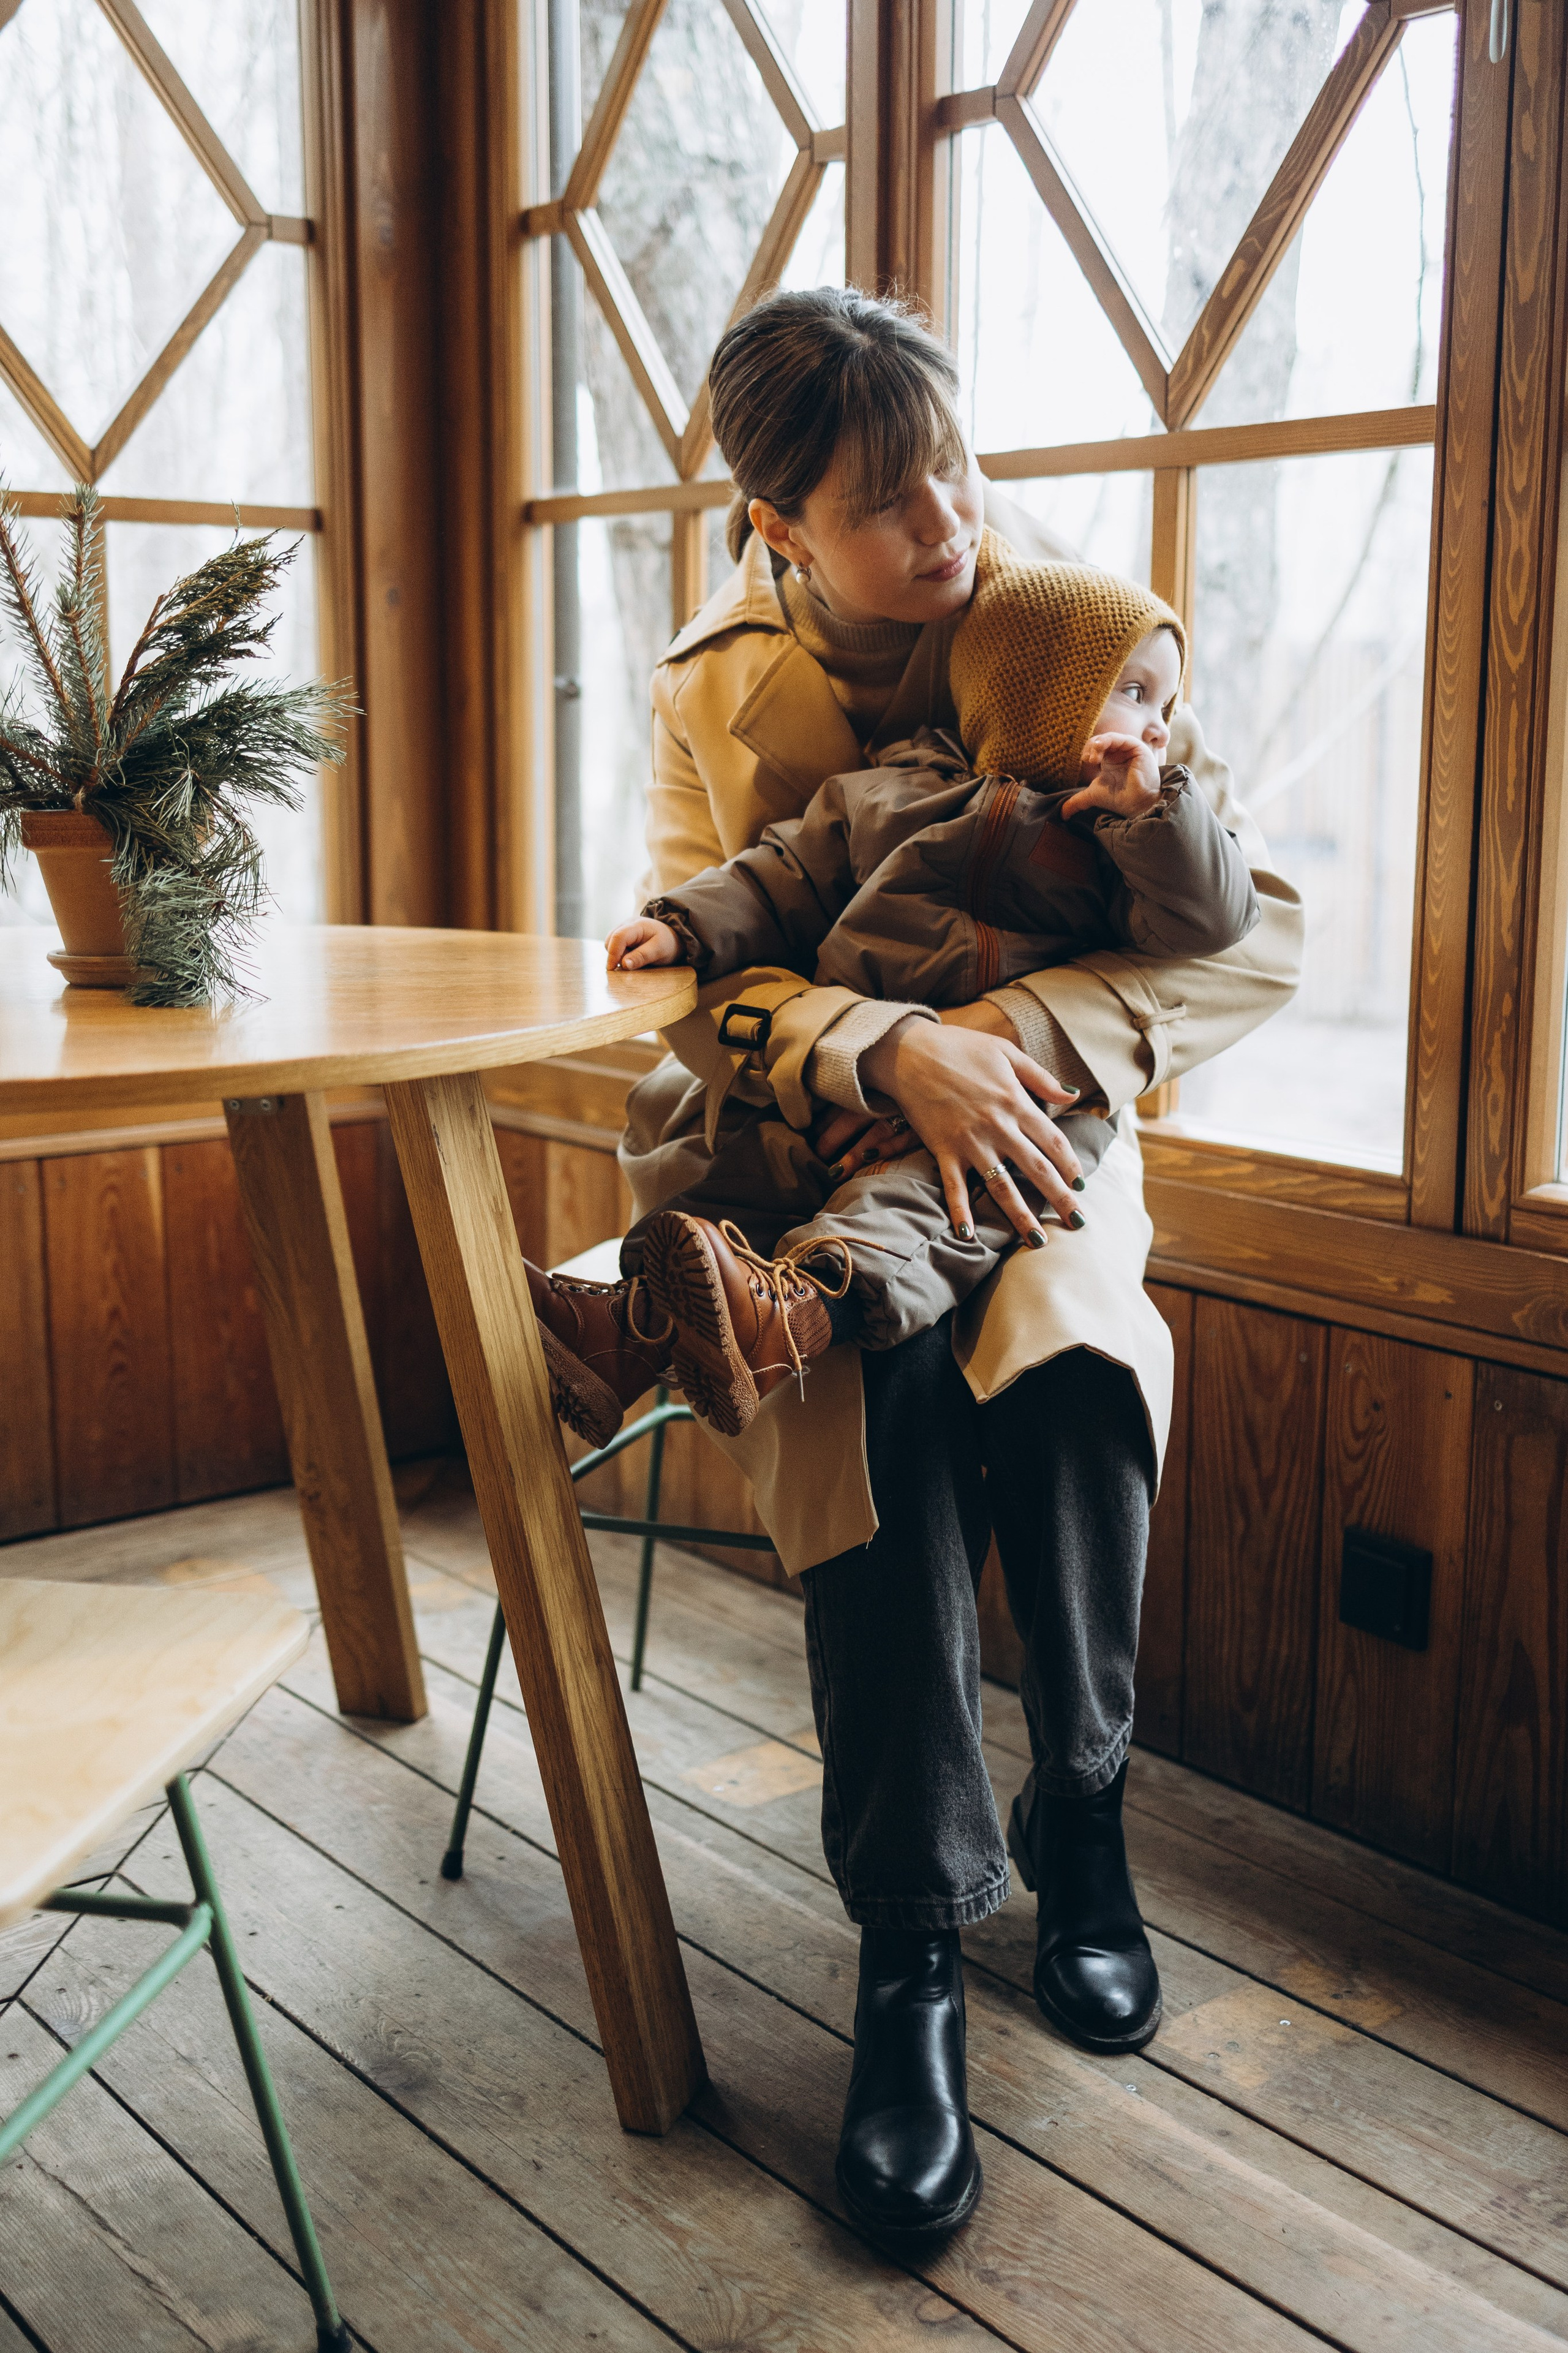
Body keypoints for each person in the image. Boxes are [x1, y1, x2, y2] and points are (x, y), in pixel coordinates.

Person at [523, 287, 1302, 2244]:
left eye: (952, 459)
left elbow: (1256, 931)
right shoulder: (714, 690)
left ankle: (1088, 1812)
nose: (948, 514)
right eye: (887, 498)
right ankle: (912, 1949)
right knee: (864, 1407)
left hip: (1039, 1140)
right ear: (779, 523)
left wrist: (1008, 1061)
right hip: (813, 1156)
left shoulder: (1064, 631)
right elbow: (701, 973)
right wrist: (884, 1053)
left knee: (1060, 1360)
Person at [601, 542, 1258, 1433]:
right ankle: (619, 1331)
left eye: (1166, 705)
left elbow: (1213, 921)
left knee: (929, 1208)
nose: (1155, 729)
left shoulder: (1119, 848)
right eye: (1134, 695)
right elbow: (779, 875)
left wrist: (1158, 821)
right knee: (738, 1184)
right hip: (845, 1089)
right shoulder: (889, 790)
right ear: (1039, 691)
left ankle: (798, 1311)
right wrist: (683, 921)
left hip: (1023, 1111)